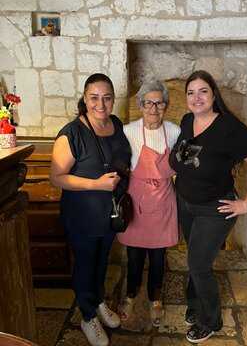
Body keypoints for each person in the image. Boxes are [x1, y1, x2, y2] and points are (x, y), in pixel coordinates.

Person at [169, 70, 247, 344]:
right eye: (191, 92)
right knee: (194, 258)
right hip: (187, 204)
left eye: (203, 91)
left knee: (198, 264)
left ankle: (211, 320)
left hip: (215, 208)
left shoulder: (229, 128)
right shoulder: (187, 121)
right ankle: (195, 305)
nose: (196, 97)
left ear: (214, 94)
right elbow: (184, 158)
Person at [50, 73, 131, 346]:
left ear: (112, 100)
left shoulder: (116, 124)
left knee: (102, 261)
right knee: (85, 264)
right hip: (82, 215)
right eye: (94, 97)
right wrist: (95, 183)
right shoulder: (72, 133)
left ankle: (97, 302)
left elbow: (121, 156)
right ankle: (87, 316)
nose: (101, 103)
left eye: (107, 97)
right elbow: (57, 177)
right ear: (84, 99)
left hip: (109, 214)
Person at [117, 80, 180, 327]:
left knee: (157, 257)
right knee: (134, 256)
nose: (153, 109)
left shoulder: (174, 132)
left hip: (163, 201)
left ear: (166, 105)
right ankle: (130, 295)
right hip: (137, 202)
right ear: (140, 105)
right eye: (148, 103)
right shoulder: (128, 131)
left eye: (159, 103)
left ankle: (155, 298)